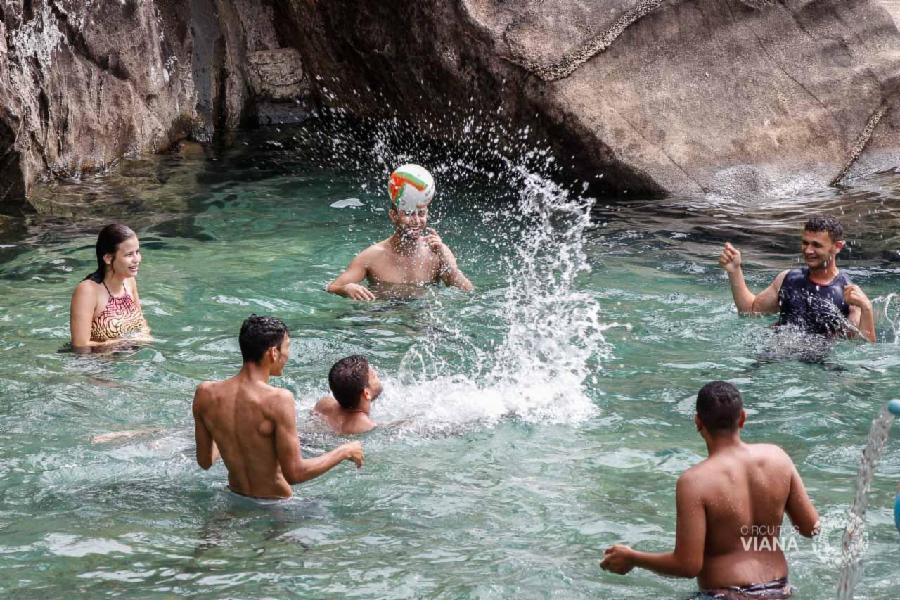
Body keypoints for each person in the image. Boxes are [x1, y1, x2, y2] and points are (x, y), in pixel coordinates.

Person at [600, 381, 819, 599]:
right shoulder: (778, 458)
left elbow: (687, 566)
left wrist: (633, 557)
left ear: (698, 422)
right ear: (742, 418)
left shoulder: (694, 482)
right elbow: (811, 528)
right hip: (780, 590)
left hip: (726, 594)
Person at [192, 315, 364, 499]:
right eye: (287, 347)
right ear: (273, 352)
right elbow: (295, 473)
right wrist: (344, 451)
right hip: (277, 506)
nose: (288, 355)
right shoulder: (278, 399)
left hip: (236, 497)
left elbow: (205, 461)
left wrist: (227, 434)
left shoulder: (205, 393)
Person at [718, 215, 875, 342]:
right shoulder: (788, 279)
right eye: (805, 243)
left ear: (837, 247)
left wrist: (867, 309)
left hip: (819, 368)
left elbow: (862, 345)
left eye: (816, 245)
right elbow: (750, 311)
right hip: (776, 355)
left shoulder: (848, 293)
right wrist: (734, 271)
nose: (808, 250)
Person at [326, 164, 473, 300]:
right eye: (409, 213)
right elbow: (331, 287)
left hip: (422, 315)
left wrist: (446, 262)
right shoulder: (371, 257)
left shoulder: (438, 251)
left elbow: (468, 291)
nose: (416, 220)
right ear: (393, 215)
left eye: (421, 214)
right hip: (383, 313)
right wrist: (346, 288)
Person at [69, 223, 150, 351]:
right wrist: (125, 343)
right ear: (108, 258)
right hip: (96, 364)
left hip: (129, 356)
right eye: (129, 254)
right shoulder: (87, 291)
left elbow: (141, 322)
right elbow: (80, 345)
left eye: (137, 252)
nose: (137, 259)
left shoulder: (130, 281)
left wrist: (146, 337)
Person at [314, 355, 383, 434]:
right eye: (374, 376)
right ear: (366, 394)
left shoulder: (323, 404)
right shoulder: (365, 425)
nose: (377, 373)